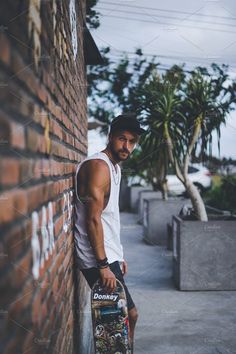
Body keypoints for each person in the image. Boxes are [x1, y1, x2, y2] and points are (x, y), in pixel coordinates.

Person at [74, 113, 146, 351]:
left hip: (109, 255)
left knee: (120, 323)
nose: (127, 146)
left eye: (132, 141)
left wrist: (119, 255)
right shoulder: (99, 167)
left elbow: (109, 218)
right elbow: (92, 220)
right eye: (122, 139)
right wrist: (104, 265)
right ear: (110, 137)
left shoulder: (115, 167)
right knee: (121, 321)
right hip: (97, 260)